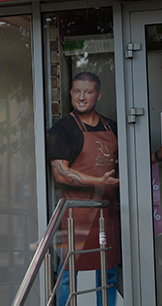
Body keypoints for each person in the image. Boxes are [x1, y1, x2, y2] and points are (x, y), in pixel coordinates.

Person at [47, 72, 119, 306]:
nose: (81, 97)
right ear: (71, 94)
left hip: (107, 212)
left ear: (99, 95)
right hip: (76, 215)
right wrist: (99, 181)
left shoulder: (112, 126)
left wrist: (160, 155)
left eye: (88, 92)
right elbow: (60, 173)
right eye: (77, 91)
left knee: (108, 272)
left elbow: (130, 161)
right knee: (68, 272)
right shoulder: (62, 129)